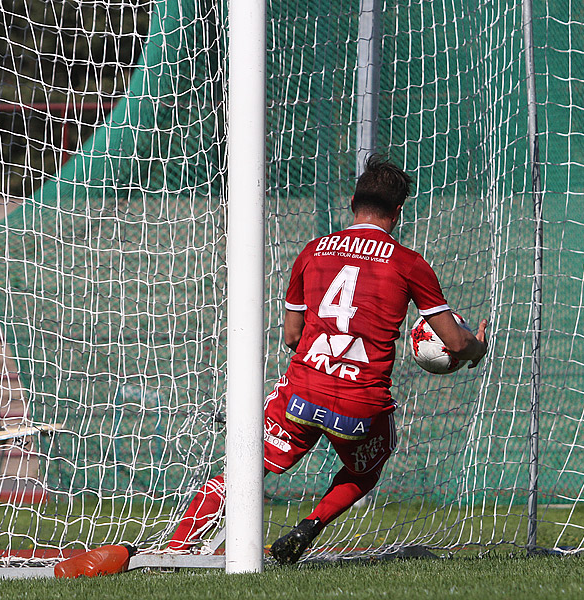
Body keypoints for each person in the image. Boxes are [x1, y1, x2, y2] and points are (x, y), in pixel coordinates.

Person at [167, 154, 488, 563]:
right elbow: (455, 344)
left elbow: (291, 335)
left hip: (303, 391)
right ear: (399, 211)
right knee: (368, 464)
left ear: (353, 201)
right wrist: (476, 348)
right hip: (359, 405)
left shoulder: (313, 250)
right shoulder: (410, 264)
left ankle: (177, 546)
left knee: (244, 467)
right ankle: (311, 525)